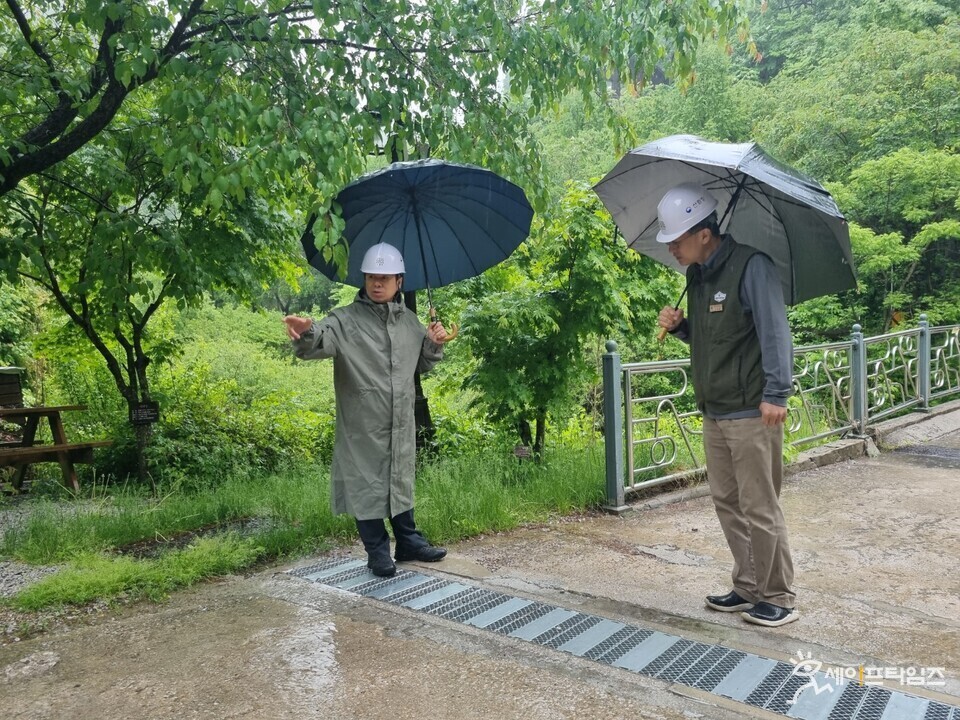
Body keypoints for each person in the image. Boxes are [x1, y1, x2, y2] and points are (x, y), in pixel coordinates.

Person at [656, 183, 798, 628]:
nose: (672, 249)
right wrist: (681, 328)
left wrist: (778, 393)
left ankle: (778, 595)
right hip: (715, 409)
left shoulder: (752, 266)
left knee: (760, 504)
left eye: (676, 240)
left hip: (752, 411)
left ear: (703, 233)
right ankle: (748, 585)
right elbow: (715, 337)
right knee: (727, 501)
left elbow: (775, 332)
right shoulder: (697, 277)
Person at [284, 242, 451, 578]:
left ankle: (409, 542)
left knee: (399, 479)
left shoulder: (410, 323)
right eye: (371, 277)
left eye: (384, 278)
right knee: (365, 485)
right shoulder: (344, 320)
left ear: (399, 282)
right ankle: (377, 551)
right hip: (362, 425)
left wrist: (434, 341)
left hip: (399, 422)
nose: (377, 283)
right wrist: (306, 332)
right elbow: (320, 341)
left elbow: (422, 363)